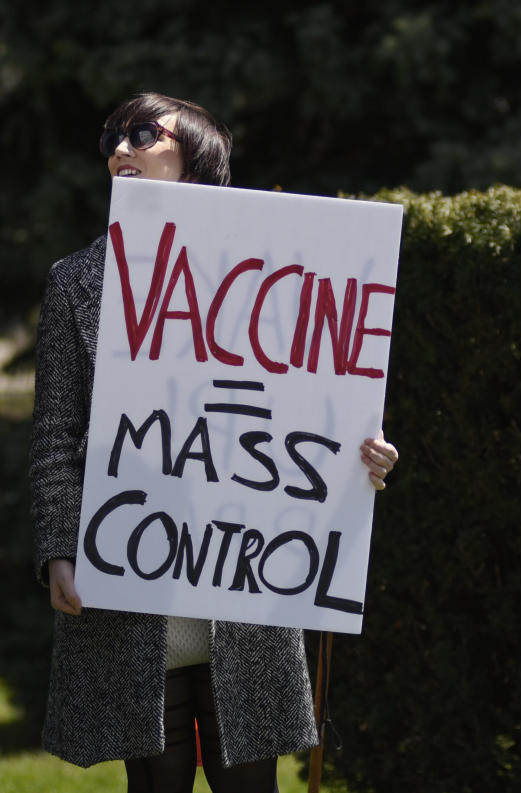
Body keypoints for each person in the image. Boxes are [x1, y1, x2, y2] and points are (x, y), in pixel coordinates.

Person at [30, 92, 399, 793]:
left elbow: (315, 413)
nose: (120, 148)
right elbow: (56, 436)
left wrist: (363, 458)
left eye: (143, 133)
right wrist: (57, 548)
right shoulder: (78, 282)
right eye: (112, 135)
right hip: (134, 584)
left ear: (197, 159)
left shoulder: (273, 275)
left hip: (247, 585)